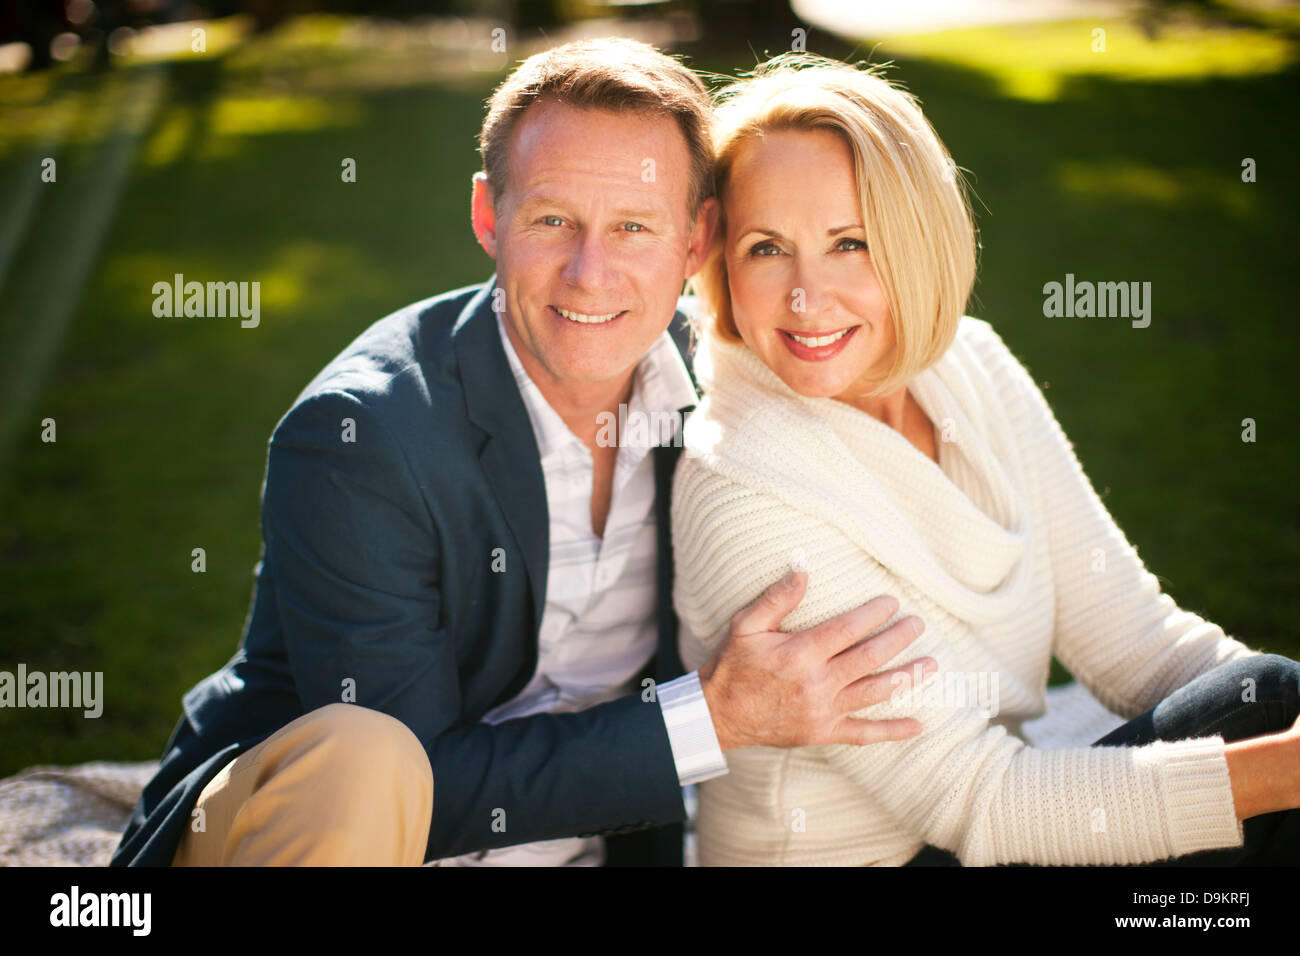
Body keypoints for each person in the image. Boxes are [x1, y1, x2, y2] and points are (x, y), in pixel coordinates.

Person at [109, 38, 931, 868]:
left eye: (634, 227)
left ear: (696, 239)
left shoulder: (721, 389)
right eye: (552, 220)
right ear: (487, 216)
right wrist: (713, 721)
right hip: (323, 837)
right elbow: (413, 790)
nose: (590, 272)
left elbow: (876, 340)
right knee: (368, 759)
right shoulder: (359, 440)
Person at [672, 53, 1300, 866]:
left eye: (849, 243)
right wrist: (1285, 771)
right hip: (897, 854)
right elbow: (983, 802)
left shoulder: (974, 364)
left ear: (916, 242)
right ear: (724, 261)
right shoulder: (741, 488)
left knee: (1268, 696)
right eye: (766, 248)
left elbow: (1140, 647)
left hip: (986, 812)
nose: (805, 295)